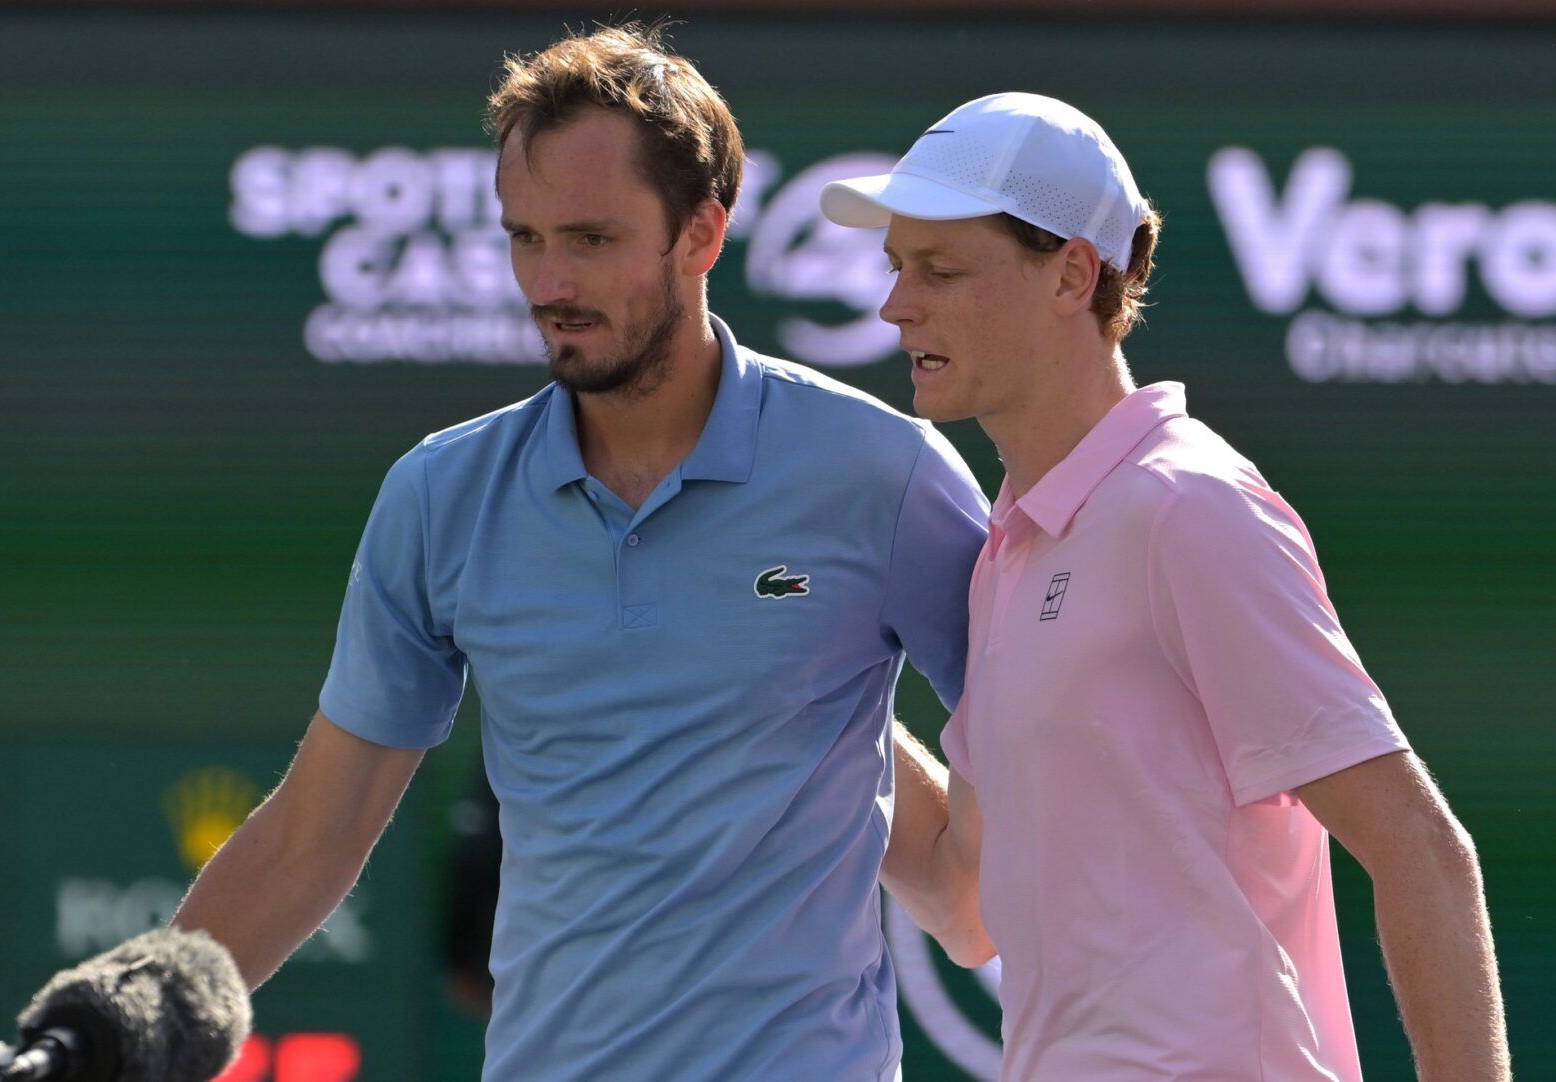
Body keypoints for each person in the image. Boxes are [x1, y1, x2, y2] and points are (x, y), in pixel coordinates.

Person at [171, 26, 988, 1081]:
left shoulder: (886, 473)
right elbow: (309, 839)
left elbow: (1051, 762)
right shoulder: (440, 495)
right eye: (525, 237)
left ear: (702, 234)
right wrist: (124, 1024)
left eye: (591, 239)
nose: (548, 280)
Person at [824, 93, 1509, 1080]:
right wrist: (791, 683)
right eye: (898, 267)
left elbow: (1419, 847)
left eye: (940, 270)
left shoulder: (1188, 507)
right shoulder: (1006, 553)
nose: (897, 305)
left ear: (1071, 274)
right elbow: (963, 897)